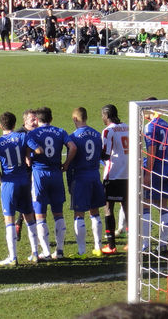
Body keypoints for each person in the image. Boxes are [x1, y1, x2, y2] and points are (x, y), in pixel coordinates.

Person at [26, 107, 77, 259]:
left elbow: (28, 154)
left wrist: (28, 158)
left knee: (40, 214)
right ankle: (60, 251)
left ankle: (46, 252)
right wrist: (66, 164)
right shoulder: (60, 131)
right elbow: (72, 147)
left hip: (39, 175)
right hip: (56, 174)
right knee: (58, 213)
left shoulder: (32, 133)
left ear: (37, 120)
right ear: (51, 118)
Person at [0, 112, 40, 265]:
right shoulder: (22, 137)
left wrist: (1, 180)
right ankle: (35, 253)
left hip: (9, 183)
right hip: (24, 181)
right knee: (29, 217)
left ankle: (13, 257)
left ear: (1, 126)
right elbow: (38, 150)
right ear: (14, 125)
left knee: (9, 219)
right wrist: (27, 155)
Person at [67, 107, 105, 258]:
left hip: (80, 178)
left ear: (75, 119)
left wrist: (67, 172)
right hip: (95, 176)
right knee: (95, 213)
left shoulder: (73, 137)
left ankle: (82, 251)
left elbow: (72, 158)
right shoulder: (97, 134)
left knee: (79, 214)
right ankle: (98, 247)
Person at [142, 97, 168, 253]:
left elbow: (152, 151)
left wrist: (148, 173)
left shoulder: (150, 127)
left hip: (154, 170)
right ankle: (163, 243)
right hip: (166, 169)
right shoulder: (167, 125)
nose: (142, 113)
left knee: (145, 205)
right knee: (163, 207)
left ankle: (145, 245)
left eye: (144, 110)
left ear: (149, 110)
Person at [100, 104, 129, 255]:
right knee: (127, 206)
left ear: (106, 116)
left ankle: (111, 245)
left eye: (102, 116)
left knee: (108, 207)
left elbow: (105, 153)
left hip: (113, 174)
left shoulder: (108, 131)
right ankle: (132, 242)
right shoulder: (129, 127)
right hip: (129, 174)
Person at [13, 109, 39, 241]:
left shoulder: (39, 132)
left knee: (32, 202)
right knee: (29, 201)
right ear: (25, 121)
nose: (36, 122)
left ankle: (19, 224)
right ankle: (31, 231)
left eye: (37, 119)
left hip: (38, 172)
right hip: (24, 173)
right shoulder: (19, 134)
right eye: (32, 119)